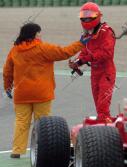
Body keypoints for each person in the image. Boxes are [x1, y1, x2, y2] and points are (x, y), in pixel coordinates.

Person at [3, 22, 89, 158]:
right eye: (39, 32)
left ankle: (17, 150)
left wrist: (7, 86)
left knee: (21, 121)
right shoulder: (43, 48)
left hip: (21, 93)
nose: (40, 35)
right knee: (42, 123)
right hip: (41, 93)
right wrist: (80, 43)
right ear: (34, 34)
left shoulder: (15, 50)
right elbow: (64, 52)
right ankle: (40, 150)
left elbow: (7, 71)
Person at [69, 2, 116, 123]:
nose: (86, 18)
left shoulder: (106, 32)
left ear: (97, 16)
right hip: (95, 73)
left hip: (106, 72)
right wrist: (77, 62)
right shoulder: (86, 34)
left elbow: (106, 54)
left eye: (89, 15)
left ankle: (105, 131)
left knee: (102, 106)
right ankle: (106, 127)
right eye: (84, 16)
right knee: (99, 106)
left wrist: (86, 59)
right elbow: (84, 53)